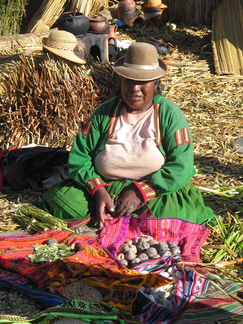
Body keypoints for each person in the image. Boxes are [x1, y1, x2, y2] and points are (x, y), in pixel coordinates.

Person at [42, 42, 215, 228]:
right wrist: (98, 190)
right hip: (105, 186)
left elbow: (181, 166)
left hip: (154, 191)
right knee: (63, 201)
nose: (134, 88)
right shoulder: (104, 113)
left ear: (156, 85)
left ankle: (121, 221)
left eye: (143, 82)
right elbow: (80, 156)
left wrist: (140, 192)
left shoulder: (169, 115)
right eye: (129, 80)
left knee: (170, 217)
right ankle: (111, 214)